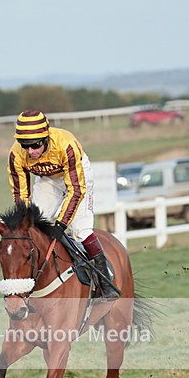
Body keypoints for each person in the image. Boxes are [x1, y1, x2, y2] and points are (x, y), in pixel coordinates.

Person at [7, 110, 118, 298]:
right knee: (34, 225)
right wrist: (24, 222)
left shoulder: (66, 145)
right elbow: (20, 193)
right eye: (24, 146)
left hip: (77, 175)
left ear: (46, 138)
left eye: (35, 145)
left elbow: (76, 190)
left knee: (80, 230)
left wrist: (61, 224)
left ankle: (105, 280)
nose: (31, 151)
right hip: (48, 180)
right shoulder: (16, 155)